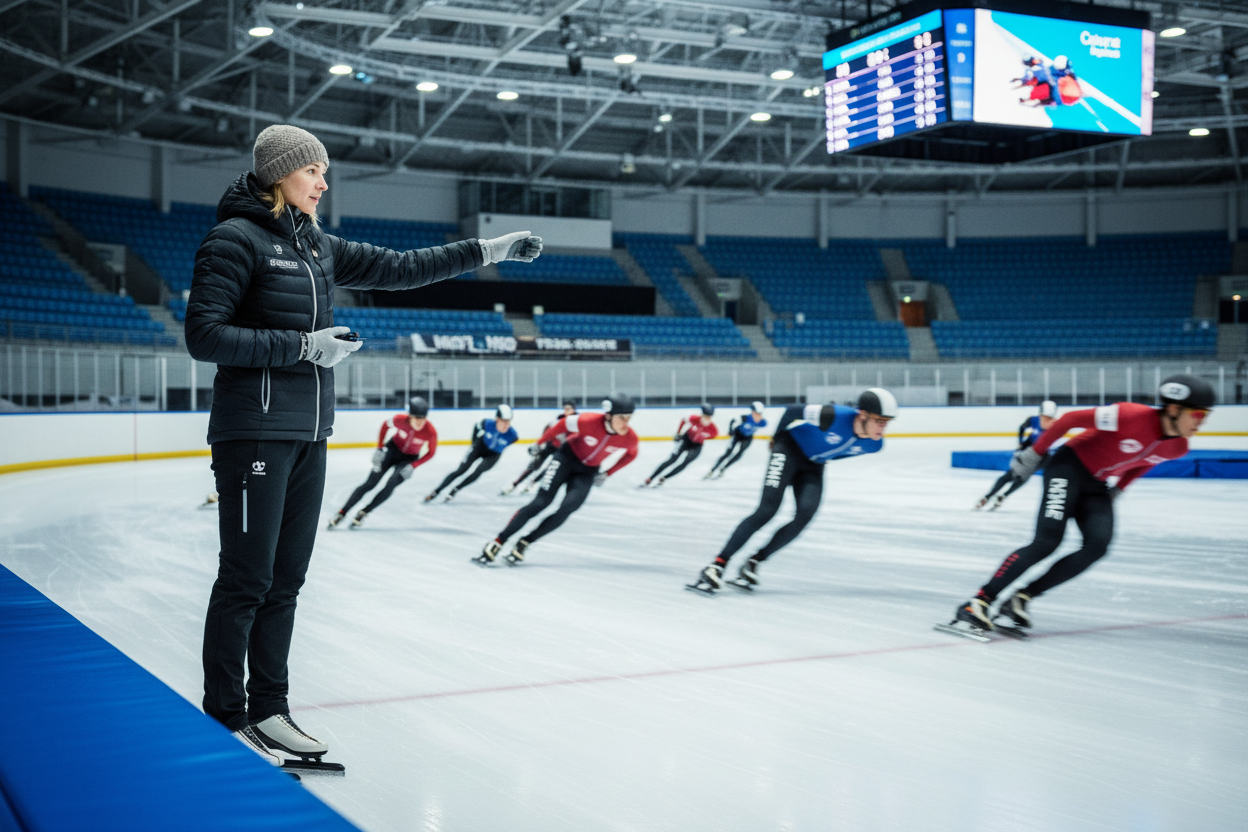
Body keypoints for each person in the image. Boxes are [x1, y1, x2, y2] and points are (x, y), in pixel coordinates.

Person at [185, 123, 543, 768]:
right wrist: (304, 348)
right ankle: (225, 715)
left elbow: (402, 268)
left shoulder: (315, 244)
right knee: (246, 578)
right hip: (253, 434)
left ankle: (270, 709)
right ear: (278, 175)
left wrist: (489, 248)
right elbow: (205, 336)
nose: (323, 183)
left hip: (308, 434)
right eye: (313, 171)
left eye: (324, 171)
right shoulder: (233, 240)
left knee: (286, 582)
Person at [942, 374, 1216, 639]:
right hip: (1067, 467)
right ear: (1173, 408)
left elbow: (1145, 462)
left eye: (1205, 416)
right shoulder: (1129, 415)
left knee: (1098, 545)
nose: (1201, 423)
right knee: (1047, 541)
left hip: (1096, 483)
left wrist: (1119, 489)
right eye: (1197, 415)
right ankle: (978, 602)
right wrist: (1035, 453)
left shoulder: (1179, 448)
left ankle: (1021, 597)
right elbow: (1071, 420)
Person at [688, 389, 897, 594]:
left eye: (887, 422)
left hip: (814, 465)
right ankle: (717, 565)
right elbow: (792, 411)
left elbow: (840, 453)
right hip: (788, 449)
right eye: (880, 421)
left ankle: (754, 562)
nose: (883, 428)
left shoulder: (874, 445)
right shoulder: (833, 415)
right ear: (863, 415)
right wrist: (777, 438)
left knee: (805, 514)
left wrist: (820, 459)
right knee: (767, 510)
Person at [477, 393, 639, 566]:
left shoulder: (629, 438)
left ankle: (525, 542)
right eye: (622, 417)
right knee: (541, 502)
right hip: (566, 458)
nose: (626, 423)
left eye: (629, 418)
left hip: (587, 471)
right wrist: (540, 443)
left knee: (568, 508)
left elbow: (632, 454)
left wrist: (608, 473)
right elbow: (561, 425)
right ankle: (498, 541)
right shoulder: (587, 421)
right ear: (609, 415)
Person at [327, 396, 438, 528]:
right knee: (370, 483)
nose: (420, 423)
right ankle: (342, 512)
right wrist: (380, 448)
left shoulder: (430, 432)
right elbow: (385, 426)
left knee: (390, 485)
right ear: (409, 416)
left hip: (408, 459)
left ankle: (364, 512)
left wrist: (414, 465)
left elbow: (431, 452)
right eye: (416, 418)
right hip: (392, 451)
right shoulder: (399, 419)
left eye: (423, 419)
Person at [974, 400, 1057, 511]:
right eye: (1044, 418)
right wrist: (1021, 442)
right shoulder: (1041, 421)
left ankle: (991, 496)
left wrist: (1021, 443)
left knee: (1011, 476)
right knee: (1020, 477)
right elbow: (1023, 428)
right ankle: (1002, 495)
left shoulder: (1041, 421)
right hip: (1038, 455)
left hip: (1033, 455)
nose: (1046, 421)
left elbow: (1023, 429)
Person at [425, 404, 518, 503]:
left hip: (494, 454)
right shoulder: (486, 423)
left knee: (479, 471)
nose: (506, 425)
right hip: (480, 447)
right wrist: (474, 442)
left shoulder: (513, 435)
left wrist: (500, 448)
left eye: (508, 422)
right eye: (503, 421)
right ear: (496, 419)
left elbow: (510, 442)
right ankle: (437, 491)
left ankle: (456, 489)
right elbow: (476, 427)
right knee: (461, 470)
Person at [502, 400, 577, 495]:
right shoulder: (558, 420)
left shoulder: (577, 422)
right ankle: (514, 485)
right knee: (534, 465)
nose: (567, 411)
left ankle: (532, 484)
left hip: (563, 450)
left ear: (574, 410)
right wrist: (539, 444)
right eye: (566, 408)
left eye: (569, 409)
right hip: (551, 446)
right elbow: (548, 433)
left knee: (550, 468)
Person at [642, 404, 718, 487]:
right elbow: (683, 420)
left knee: (685, 462)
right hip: (686, 440)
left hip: (697, 445)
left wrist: (701, 437)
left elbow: (713, 435)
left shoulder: (712, 429)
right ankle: (651, 477)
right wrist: (678, 433)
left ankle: (665, 477)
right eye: (705, 416)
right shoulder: (694, 419)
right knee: (672, 460)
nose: (707, 419)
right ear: (702, 415)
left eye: (709, 417)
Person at [705, 401, 767, 479]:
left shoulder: (763, 422)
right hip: (737, 435)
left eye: (759, 414)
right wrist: (730, 431)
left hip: (747, 437)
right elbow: (733, 421)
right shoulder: (745, 418)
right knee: (728, 453)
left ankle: (724, 468)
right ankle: (713, 470)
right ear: (752, 412)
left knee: (739, 454)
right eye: (756, 414)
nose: (758, 416)